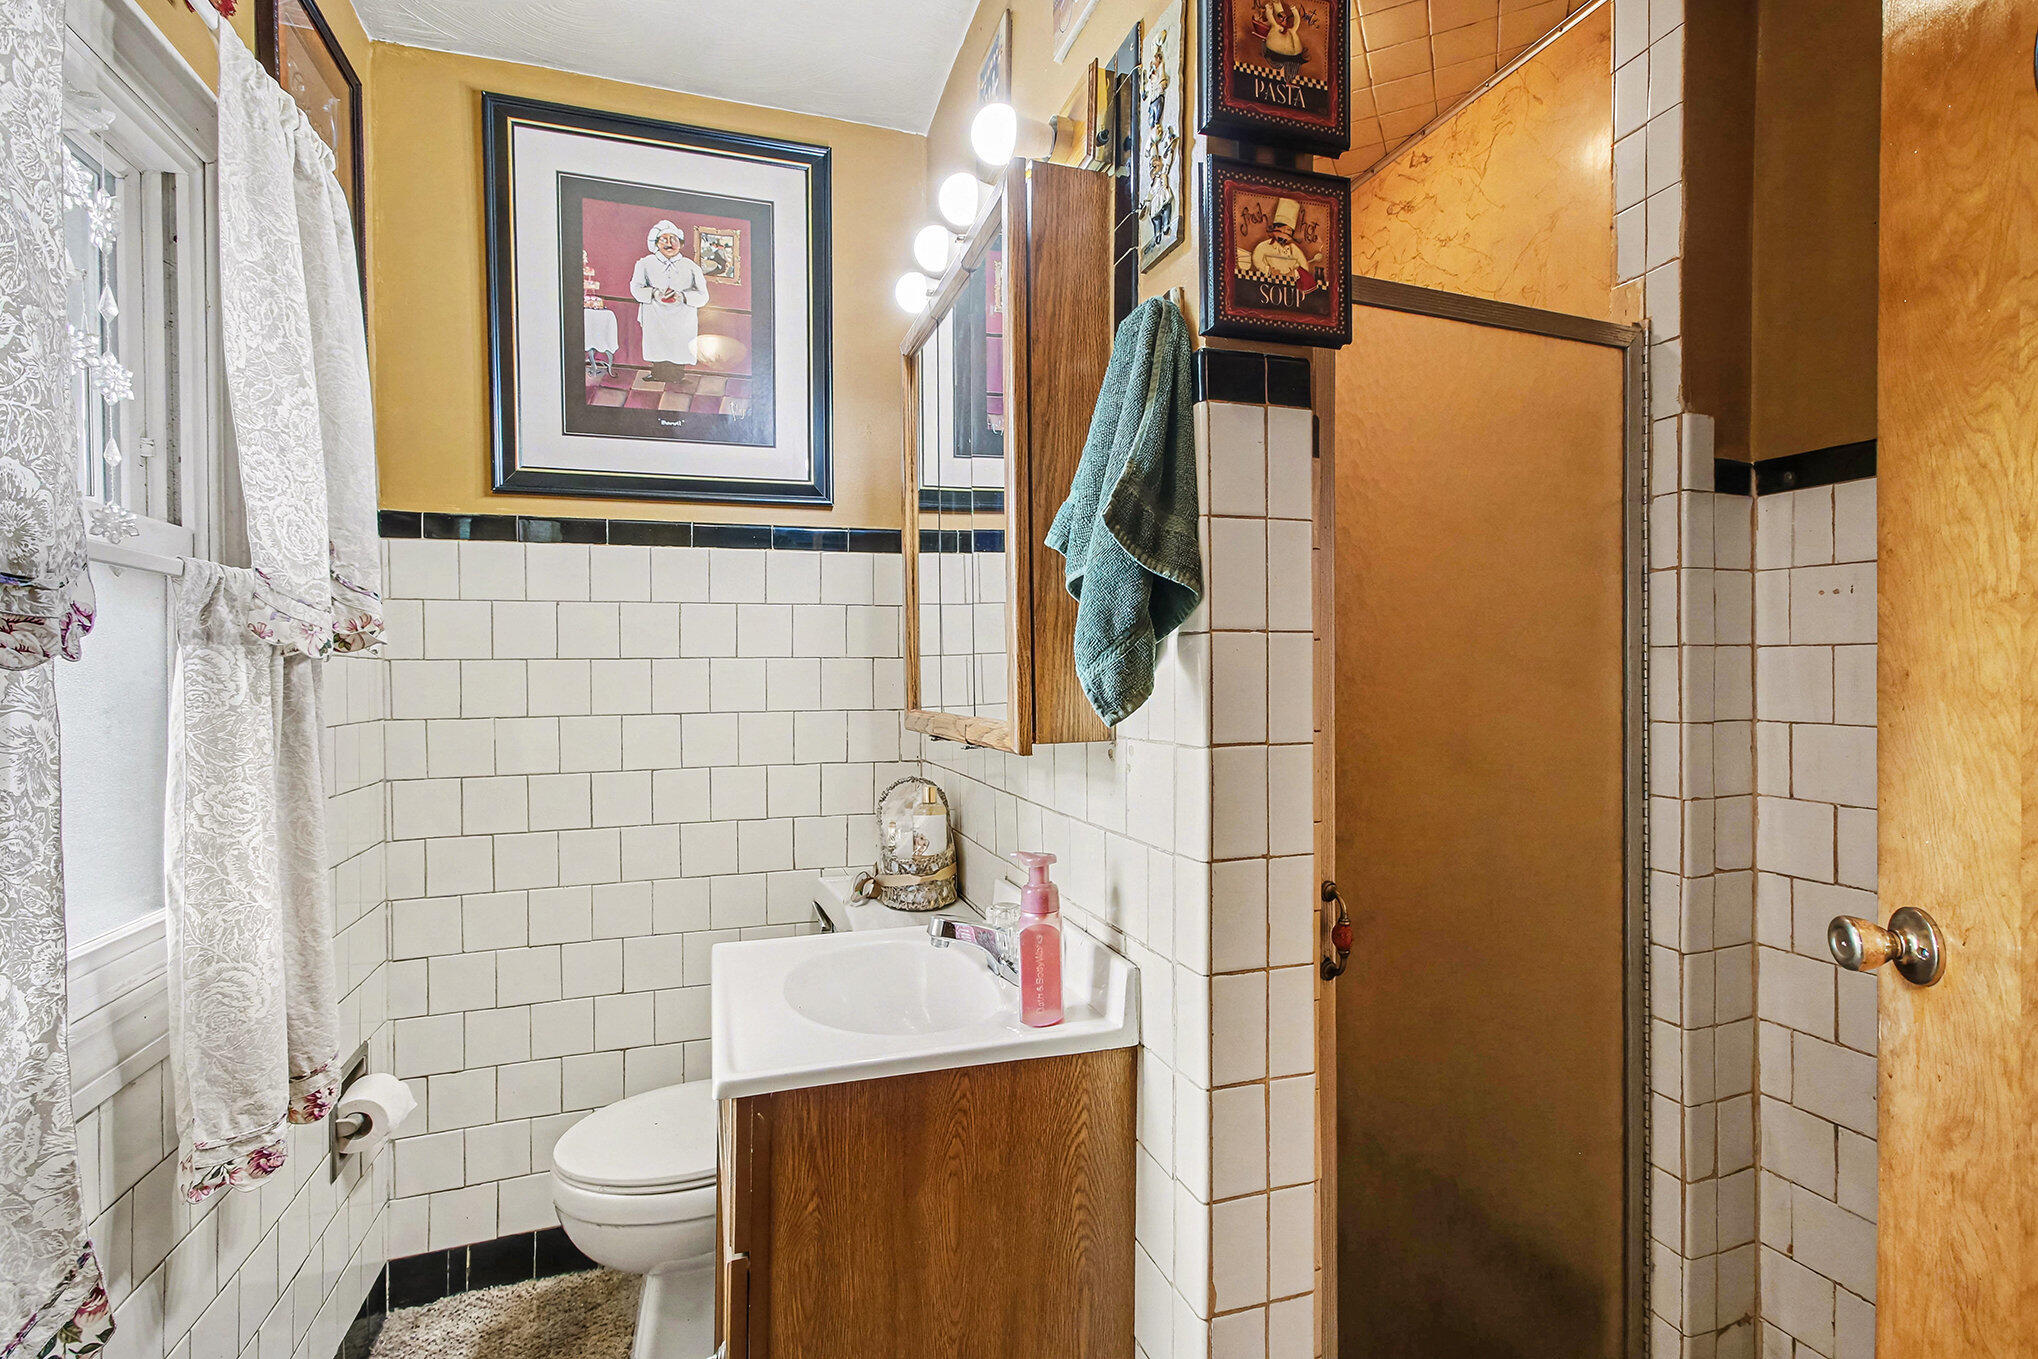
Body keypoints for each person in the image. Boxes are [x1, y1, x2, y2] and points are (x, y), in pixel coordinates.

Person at [629, 220, 709, 383]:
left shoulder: (691, 266)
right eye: (663, 239)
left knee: (679, 343)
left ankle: (677, 375)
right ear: (656, 243)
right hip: (655, 313)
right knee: (657, 342)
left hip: (683, 316)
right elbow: (635, 288)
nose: (669, 243)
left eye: (673, 239)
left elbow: (703, 295)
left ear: (680, 243)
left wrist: (683, 296)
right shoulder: (644, 263)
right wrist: (654, 293)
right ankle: (657, 373)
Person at [1250, 198, 1323, 292]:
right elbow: (1257, 259)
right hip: (1267, 287)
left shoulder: (1294, 249)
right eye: (1283, 229)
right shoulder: (1263, 246)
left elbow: (1304, 267)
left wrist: (1294, 273)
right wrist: (1268, 270)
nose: (1285, 232)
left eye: (1288, 230)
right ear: (1276, 228)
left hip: (1289, 289)